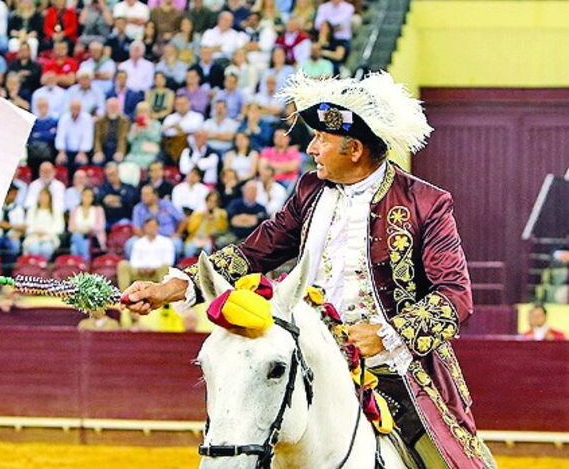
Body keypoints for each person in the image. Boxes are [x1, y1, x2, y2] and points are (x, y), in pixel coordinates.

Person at [123, 71, 495, 469]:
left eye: (322, 140)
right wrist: (177, 286)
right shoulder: (309, 191)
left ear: (353, 150)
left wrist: (387, 335)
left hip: (397, 374)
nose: (312, 148)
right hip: (313, 361)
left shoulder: (426, 203)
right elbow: (256, 251)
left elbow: (454, 295)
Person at [117, 217, 173, 291]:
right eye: (149, 226)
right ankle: (124, 294)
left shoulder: (166, 242)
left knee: (165, 267)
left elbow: (169, 261)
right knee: (123, 264)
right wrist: (141, 269)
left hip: (157, 272)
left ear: (158, 227)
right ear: (144, 228)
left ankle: (163, 294)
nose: (151, 228)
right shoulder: (138, 243)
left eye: (153, 226)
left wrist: (153, 268)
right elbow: (134, 261)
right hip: (140, 272)